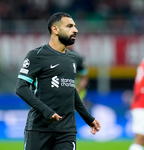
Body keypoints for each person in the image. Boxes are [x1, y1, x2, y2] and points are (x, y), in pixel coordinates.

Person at [15, 12, 101, 150]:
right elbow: (21, 88)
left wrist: (88, 118)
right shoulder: (37, 55)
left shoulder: (73, 58)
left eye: (75, 26)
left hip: (66, 130)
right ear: (55, 29)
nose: (75, 30)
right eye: (70, 26)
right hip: (39, 128)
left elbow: (71, 90)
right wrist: (47, 112)